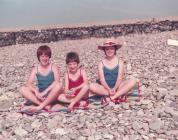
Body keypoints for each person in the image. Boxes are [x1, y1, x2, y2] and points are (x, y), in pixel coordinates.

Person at [20, 45, 63, 113]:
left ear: (49, 57)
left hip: (52, 94)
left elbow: (57, 81)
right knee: (23, 89)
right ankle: (43, 105)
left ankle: (40, 106)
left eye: (46, 56)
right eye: (42, 56)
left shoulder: (54, 67)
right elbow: (29, 83)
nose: (44, 58)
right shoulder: (35, 69)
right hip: (41, 95)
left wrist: (45, 92)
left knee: (59, 85)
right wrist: (36, 92)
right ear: (39, 57)